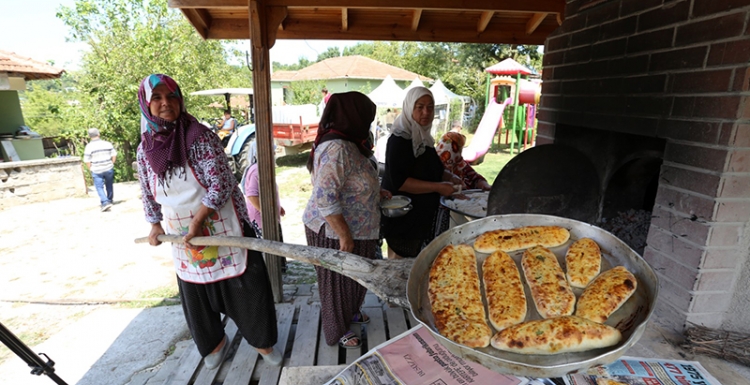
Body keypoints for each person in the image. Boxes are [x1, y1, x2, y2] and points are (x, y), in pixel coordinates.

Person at [135, 74, 281, 369]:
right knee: (196, 293)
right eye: (158, 98)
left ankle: (262, 343)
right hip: (182, 234)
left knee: (248, 285)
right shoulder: (145, 149)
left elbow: (222, 182)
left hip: (222, 224)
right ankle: (214, 344)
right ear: (146, 104)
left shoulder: (199, 136)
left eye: (172, 96)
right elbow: (147, 191)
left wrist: (200, 219)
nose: (166, 104)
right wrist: (154, 223)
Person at [303, 91, 390, 349]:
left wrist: (376, 191)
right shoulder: (336, 148)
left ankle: (350, 314)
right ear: (352, 117)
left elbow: (354, 181)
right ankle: (336, 329)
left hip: (358, 228)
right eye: (366, 118)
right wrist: (344, 235)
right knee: (336, 283)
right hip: (334, 230)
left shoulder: (352, 142)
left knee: (354, 277)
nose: (368, 124)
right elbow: (325, 198)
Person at [380, 87, 456, 259]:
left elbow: (430, 167)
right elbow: (401, 182)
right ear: (409, 108)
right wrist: (438, 187)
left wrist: (450, 177)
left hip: (420, 217)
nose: (426, 112)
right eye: (419, 107)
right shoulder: (399, 140)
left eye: (430, 107)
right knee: (399, 269)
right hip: (403, 219)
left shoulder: (423, 137)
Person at [83, 128, 117, 212]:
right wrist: (112, 163)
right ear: (98, 134)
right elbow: (114, 154)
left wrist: (90, 168)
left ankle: (105, 202)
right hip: (108, 167)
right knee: (109, 185)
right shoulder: (107, 144)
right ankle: (109, 200)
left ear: (89, 136)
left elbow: (87, 160)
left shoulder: (89, 146)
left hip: (97, 169)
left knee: (99, 187)